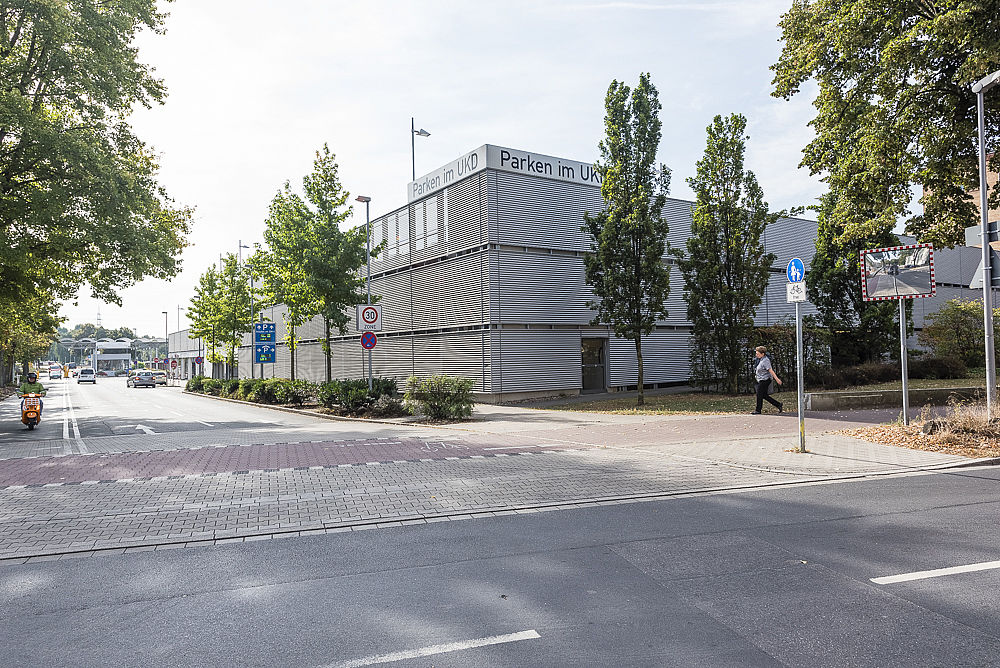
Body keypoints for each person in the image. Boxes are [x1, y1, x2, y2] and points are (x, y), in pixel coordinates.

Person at [751, 346, 783, 415]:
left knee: (759, 394)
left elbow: (770, 370)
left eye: (758, 353)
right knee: (764, 395)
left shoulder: (766, 361)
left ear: (762, 354)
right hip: (761, 379)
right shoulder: (760, 359)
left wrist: (777, 379)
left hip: (765, 380)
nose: (756, 355)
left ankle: (758, 410)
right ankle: (778, 404)